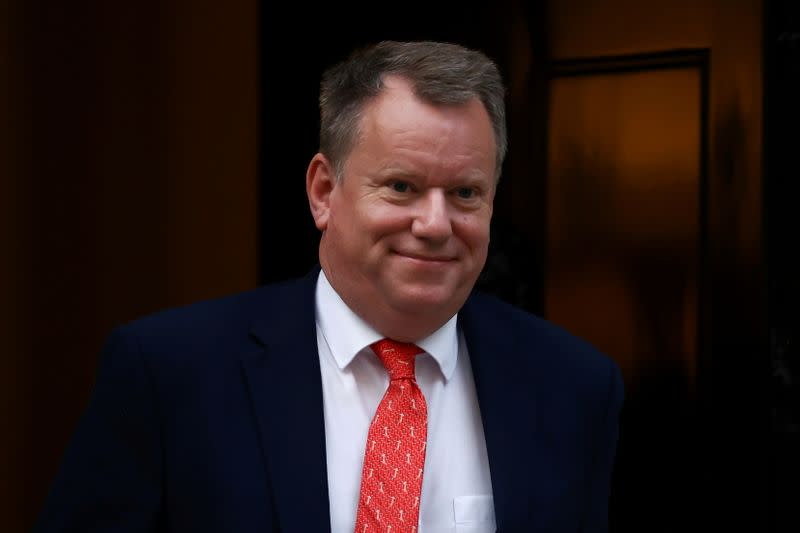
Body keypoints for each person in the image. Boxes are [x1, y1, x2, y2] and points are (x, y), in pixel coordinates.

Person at [34, 40, 623, 533]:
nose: (436, 224)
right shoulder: (169, 375)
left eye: (465, 193)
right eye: (401, 186)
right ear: (323, 192)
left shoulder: (572, 388)